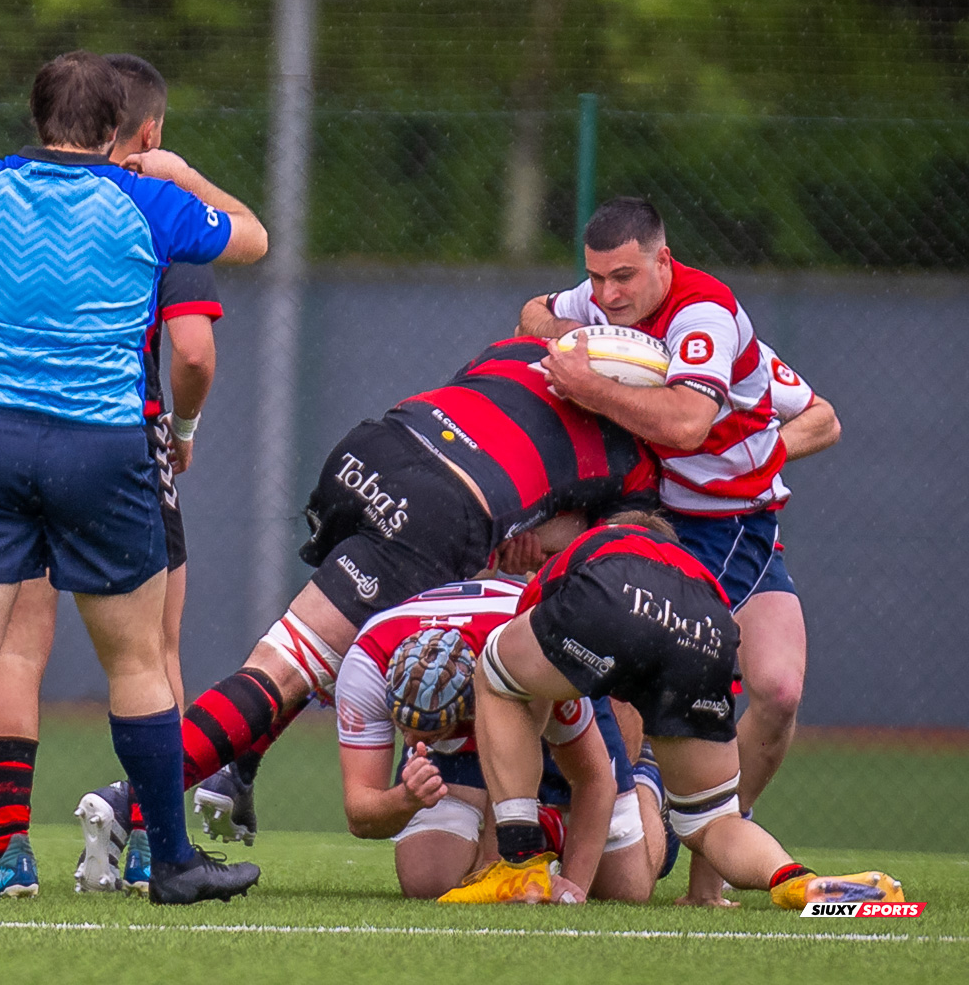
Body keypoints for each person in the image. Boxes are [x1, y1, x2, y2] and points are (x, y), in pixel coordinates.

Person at [0, 50, 267, 905]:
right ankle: (170, 861)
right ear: (115, 130)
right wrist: (176, 171)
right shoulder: (151, 199)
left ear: (37, 119)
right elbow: (253, 235)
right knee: (135, 659)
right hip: (102, 444)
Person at [161, 335, 658, 850]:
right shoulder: (633, 459)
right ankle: (133, 803)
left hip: (370, 451)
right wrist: (529, 534)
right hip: (439, 507)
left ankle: (238, 768)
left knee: (311, 648)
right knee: (296, 664)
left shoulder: (523, 348)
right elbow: (595, 551)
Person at [518, 198, 822, 903]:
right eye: (595, 279)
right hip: (656, 519)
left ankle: (702, 865)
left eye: (623, 276)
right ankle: (620, 834)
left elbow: (688, 424)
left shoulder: (704, 314)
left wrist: (588, 378)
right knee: (648, 670)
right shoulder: (606, 303)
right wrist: (575, 335)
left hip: (736, 526)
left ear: (664, 258)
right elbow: (533, 313)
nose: (606, 294)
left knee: (776, 693)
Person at [454, 512, 903, 909]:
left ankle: (517, 866)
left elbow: (533, 672)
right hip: (707, 633)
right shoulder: (694, 573)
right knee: (713, 819)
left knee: (497, 678)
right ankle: (797, 881)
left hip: (610, 598)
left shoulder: (595, 545)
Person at [335, 578, 657, 902]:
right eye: (403, 726)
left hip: (524, 666)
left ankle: (647, 778)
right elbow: (359, 816)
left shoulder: (534, 661)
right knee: (427, 879)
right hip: (491, 667)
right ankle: (541, 829)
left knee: (625, 889)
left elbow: (594, 780)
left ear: (469, 708)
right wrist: (406, 798)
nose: (411, 740)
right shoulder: (367, 666)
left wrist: (572, 889)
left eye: (430, 732)